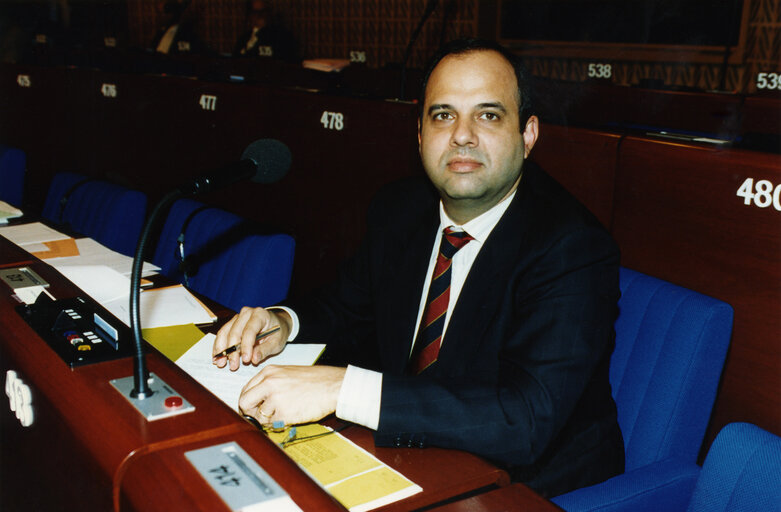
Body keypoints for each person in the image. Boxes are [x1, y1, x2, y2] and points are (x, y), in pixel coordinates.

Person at [213, 38, 624, 497]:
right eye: (443, 115)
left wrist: (343, 388)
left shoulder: (572, 246)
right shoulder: (400, 209)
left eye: (488, 115)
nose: (462, 135)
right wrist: (284, 322)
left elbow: (523, 418)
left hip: (531, 487)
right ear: (420, 135)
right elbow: (346, 307)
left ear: (527, 135)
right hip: (412, 456)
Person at [233, 0, 298, 62]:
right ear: (250, 15)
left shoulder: (282, 37)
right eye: (255, 12)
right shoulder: (244, 39)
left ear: (269, 13)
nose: (259, 16)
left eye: (262, 12)